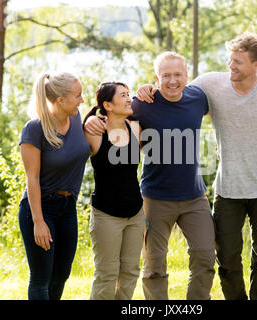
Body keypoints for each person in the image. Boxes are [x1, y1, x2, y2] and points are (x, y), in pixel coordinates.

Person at [136, 32, 257, 300]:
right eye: (230, 60)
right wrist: (147, 87)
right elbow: (175, 91)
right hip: (227, 189)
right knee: (227, 260)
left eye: (238, 62)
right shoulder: (210, 84)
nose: (231, 66)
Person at [84, 52, 216, 300]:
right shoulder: (142, 104)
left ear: (187, 76)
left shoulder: (198, 98)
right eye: (166, 75)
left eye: (178, 74)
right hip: (155, 198)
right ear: (157, 78)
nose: (173, 80)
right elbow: (112, 114)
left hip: (194, 196)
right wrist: (91, 119)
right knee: (154, 266)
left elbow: (229, 104)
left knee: (205, 256)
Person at [18, 72, 90, 300]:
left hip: (68, 208)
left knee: (62, 274)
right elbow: (32, 179)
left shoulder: (78, 118)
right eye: (77, 95)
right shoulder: (34, 129)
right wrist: (38, 222)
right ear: (60, 100)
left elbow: (112, 106)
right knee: (41, 277)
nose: (82, 100)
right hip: (40, 208)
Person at [83, 82, 146, 300]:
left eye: (129, 94)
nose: (130, 99)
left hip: (135, 214)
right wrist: (89, 119)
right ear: (108, 105)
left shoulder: (135, 128)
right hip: (106, 214)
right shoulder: (94, 132)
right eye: (123, 95)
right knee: (107, 274)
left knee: (130, 272)